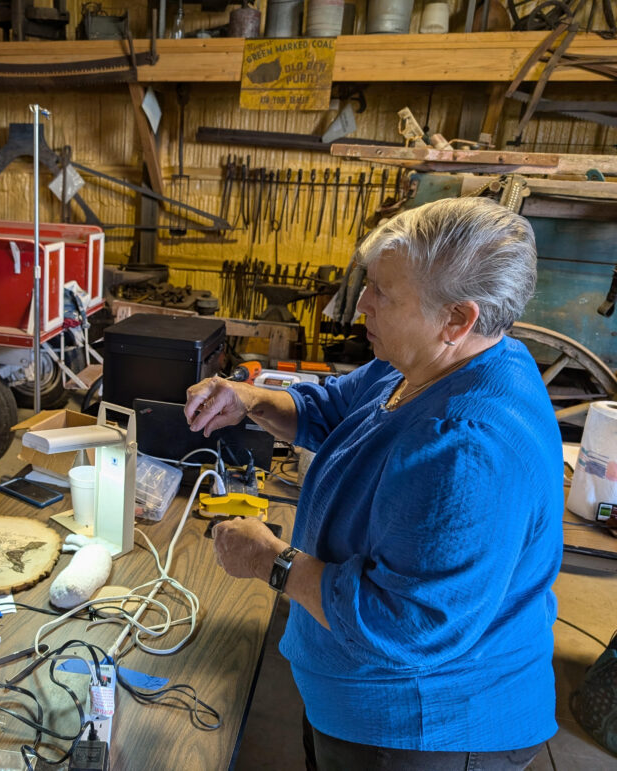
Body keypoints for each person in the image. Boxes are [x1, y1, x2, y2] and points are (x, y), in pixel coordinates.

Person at [185, 196, 563, 770]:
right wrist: (252, 399)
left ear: (457, 319)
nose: (361, 302)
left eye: (383, 293)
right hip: (359, 696)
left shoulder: (469, 448)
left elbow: (404, 622)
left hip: (423, 729)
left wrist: (272, 561)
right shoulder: (431, 357)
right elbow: (339, 406)